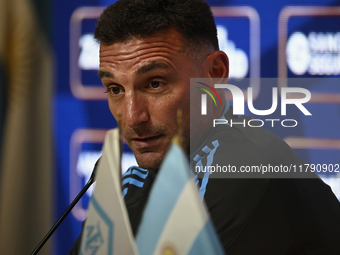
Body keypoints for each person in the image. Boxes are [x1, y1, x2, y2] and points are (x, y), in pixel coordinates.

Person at [69, 0, 340, 254]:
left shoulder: (245, 167)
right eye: (115, 89)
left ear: (215, 73)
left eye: (155, 83)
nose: (131, 117)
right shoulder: (134, 184)